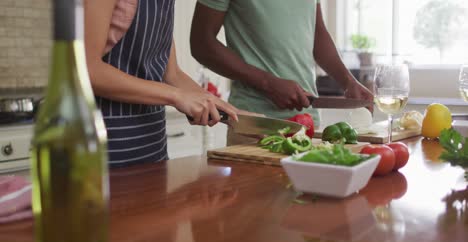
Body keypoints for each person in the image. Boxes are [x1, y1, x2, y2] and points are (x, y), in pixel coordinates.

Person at [190, 0, 374, 145]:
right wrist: (267, 84)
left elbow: (317, 33)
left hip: (309, 125)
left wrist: (348, 82)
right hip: (255, 128)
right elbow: (201, 43)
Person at [84, 0, 240, 168]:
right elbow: (88, 69)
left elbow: (172, 74)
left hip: (153, 147)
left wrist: (231, 112)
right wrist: (176, 97)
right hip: (107, 147)